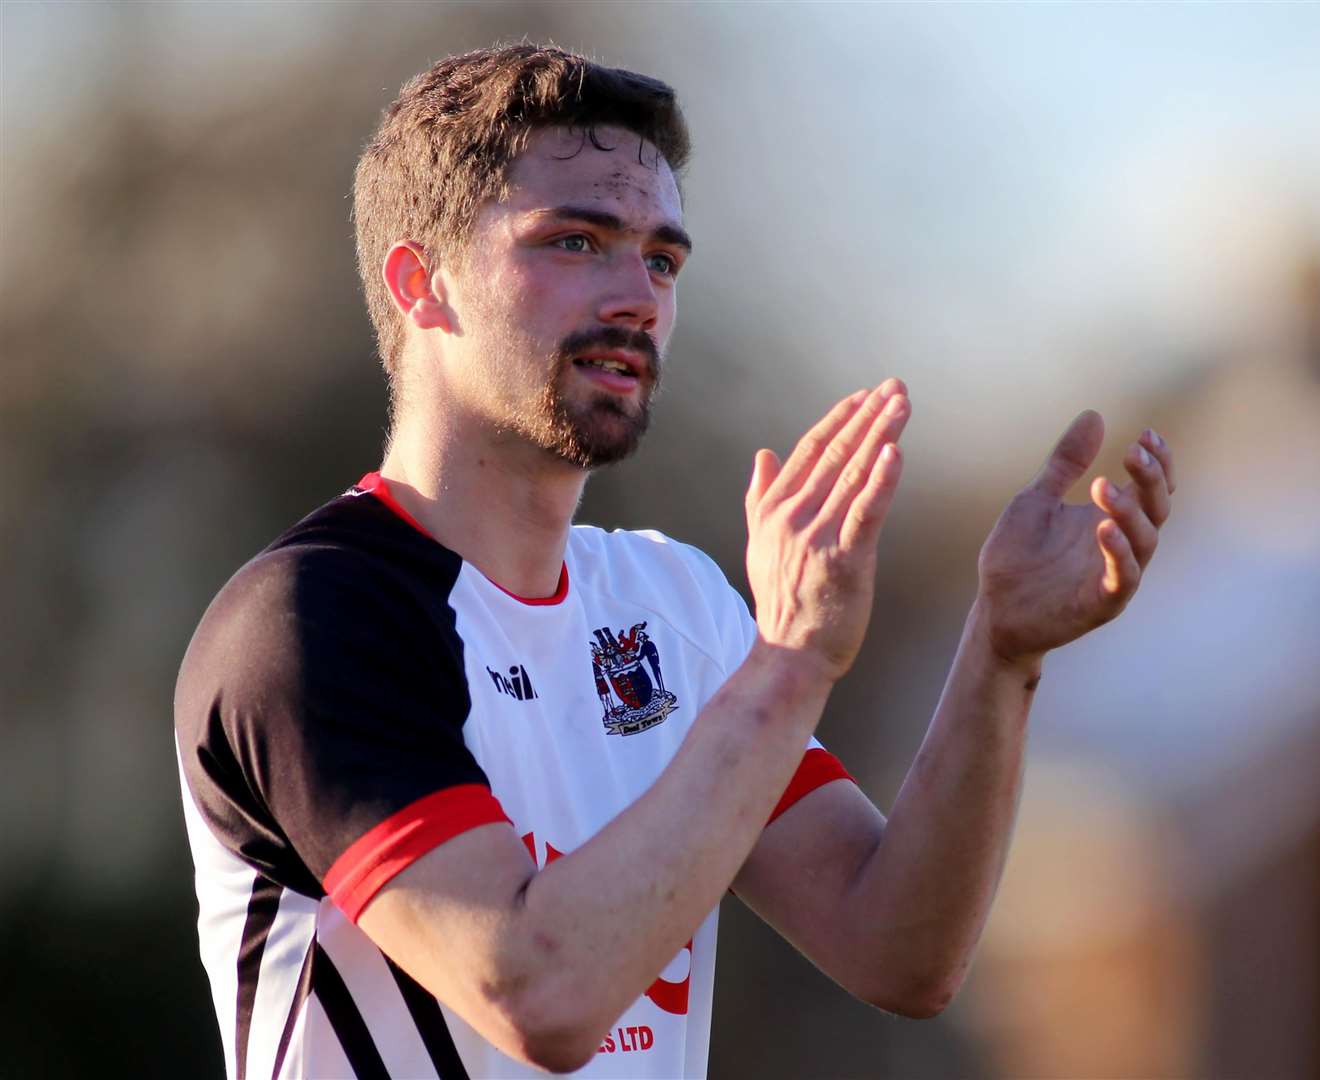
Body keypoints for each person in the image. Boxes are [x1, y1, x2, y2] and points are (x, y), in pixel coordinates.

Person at [174, 43, 1177, 1079]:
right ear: (420, 281)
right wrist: (788, 668)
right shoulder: (316, 615)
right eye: (574, 241)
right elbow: (540, 994)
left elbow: (901, 950)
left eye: (661, 258)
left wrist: (1000, 655)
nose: (637, 297)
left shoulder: (671, 603)